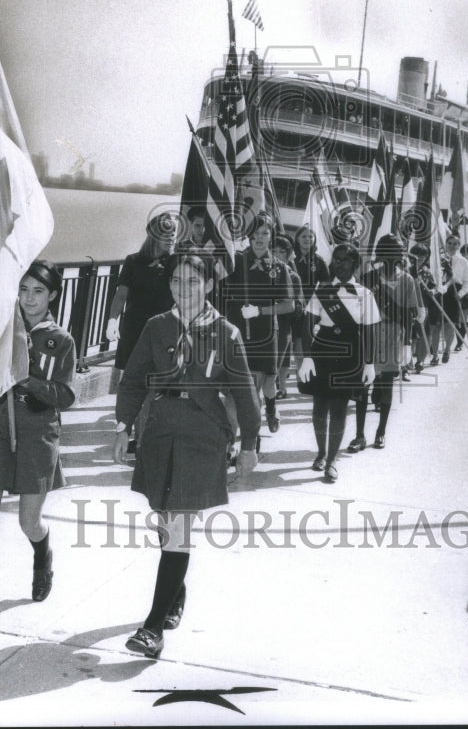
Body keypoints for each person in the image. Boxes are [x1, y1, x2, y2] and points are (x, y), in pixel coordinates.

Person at [112, 252, 260, 658]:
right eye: (177, 281)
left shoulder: (226, 333)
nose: (183, 288)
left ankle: (152, 628)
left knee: (178, 526)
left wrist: (249, 444)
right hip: (159, 432)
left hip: (203, 436)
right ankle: (175, 592)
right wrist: (123, 426)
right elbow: (134, 380)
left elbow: (246, 394)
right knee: (164, 521)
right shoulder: (157, 326)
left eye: (193, 281)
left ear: (209, 285)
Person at [0, 259, 76, 639]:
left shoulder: (61, 340)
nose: (28, 298)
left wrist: (27, 378)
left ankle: (43, 553)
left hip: (38, 432)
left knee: (28, 521)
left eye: (38, 291)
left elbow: (66, 395)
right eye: (23, 290)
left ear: (52, 295)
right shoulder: (3, 330)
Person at [297, 242, 379, 482]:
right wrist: (307, 357)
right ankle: (321, 453)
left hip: (349, 354)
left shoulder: (365, 294)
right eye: (336, 259)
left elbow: (370, 331)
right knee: (320, 407)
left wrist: (369, 363)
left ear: (355, 263)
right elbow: (307, 325)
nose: (339, 264)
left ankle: (332, 460)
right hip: (323, 350)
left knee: (340, 408)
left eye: (345, 259)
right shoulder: (322, 290)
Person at [106, 212, 177, 450]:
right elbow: (121, 295)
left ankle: (144, 438)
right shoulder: (133, 261)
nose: (170, 239)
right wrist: (112, 320)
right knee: (134, 385)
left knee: (154, 388)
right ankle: (136, 435)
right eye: (165, 234)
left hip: (164, 333)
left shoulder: (175, 263)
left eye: (173, 234)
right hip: (135, 331)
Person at [221, 212, 294, 438]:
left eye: (265, 233)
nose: (260, 238)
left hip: (266, 332)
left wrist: (260, 311)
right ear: (248, 236)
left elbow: (289, 305)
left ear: (271, 235)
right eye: (255, 234)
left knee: (266, 386)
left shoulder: (280, 268)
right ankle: (234, 441)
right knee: (236, 390)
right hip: (237, 331)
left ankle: (271, 408)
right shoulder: (236, 261)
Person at [348, 233, 422, 452]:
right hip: (370, 333)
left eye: (397, 251)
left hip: (393, 335)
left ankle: (381, 432)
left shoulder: (407, 280)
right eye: (388, 251)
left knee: (387, 384)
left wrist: (408, 344)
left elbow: (409, 314)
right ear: (380, 254)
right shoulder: (369, 278)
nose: (392, 255)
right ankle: (360, 435)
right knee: (363, 384)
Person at [272, 234, 304, 400]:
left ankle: (282, 387)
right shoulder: (263, 272)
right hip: (264, 322)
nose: (277, 254)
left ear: (288, 254)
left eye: (281, 251)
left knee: (282, 357)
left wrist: (283, 305)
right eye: (274, 250)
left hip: (284, 323)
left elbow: (298, 305)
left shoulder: (293, 276)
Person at [441, 235, 468, 360]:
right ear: (446, 244)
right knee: (437, 324)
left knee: (450, 324)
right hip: (440, 290)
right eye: (449, 243)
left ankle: (447, 349)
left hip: (454, 292)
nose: (452, 246)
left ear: (459, 246)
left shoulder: (463, 261)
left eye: (455, 244)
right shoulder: (440, 257)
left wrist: (460, 294)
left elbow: (467, 283)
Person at [293, 224, 330, 295]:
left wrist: (317, 296)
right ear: (297, 239)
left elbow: (325, 282)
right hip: (289, 300)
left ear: (314, 239)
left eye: (310, 236)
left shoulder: (319, 260)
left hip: (309, 301)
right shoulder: (290, 257)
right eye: (303, 236)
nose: (307, 239)